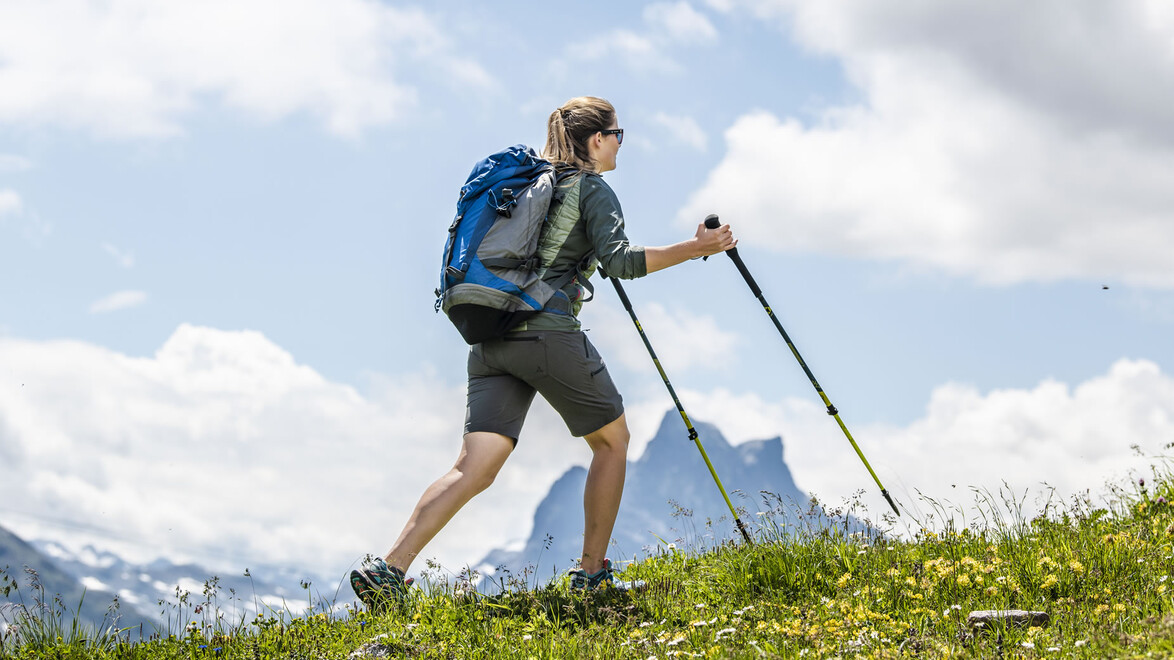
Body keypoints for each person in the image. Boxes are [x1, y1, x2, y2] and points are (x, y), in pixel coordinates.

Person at [350, 96, 736, 609]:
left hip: (491, 334)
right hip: (543, 332)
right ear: (597, 140)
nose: (621, 143)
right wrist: (697, 247)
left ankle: (389, 570)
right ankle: (592, 576)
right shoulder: (593, 189)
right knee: (613, 441)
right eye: (618, 133)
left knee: (475, 465)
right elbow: (621, 263)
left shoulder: (533, 186)